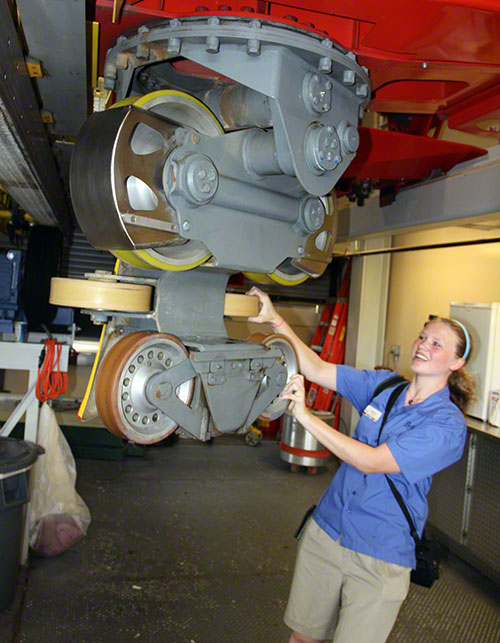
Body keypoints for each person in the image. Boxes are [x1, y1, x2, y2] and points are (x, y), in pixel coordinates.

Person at [247, 286, 476, 643]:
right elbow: (318, 368)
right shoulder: (385, 387)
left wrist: (304, 417)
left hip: (379, 553)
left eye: (436, 344)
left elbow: (371, 462)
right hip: (327, 530)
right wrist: (275, 319)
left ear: (456, 363)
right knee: (302, 636)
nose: (422, 346)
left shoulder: (446, 426)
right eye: (422, 337)